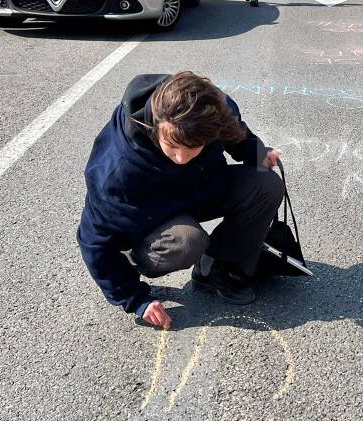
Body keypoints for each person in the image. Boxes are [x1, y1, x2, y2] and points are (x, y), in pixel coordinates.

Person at [77, 71, 284, 329]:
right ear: (155, 128)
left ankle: (215, 269)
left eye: (192, 148)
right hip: (153, 212)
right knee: (187, 242)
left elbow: (235, 133)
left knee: (266, 184)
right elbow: (93, 239)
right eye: (172, 147)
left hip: (201, 187)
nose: (181, 158)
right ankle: (137, 254)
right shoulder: (117, 171)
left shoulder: (211, 110)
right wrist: (134, 298)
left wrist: (256, 154)